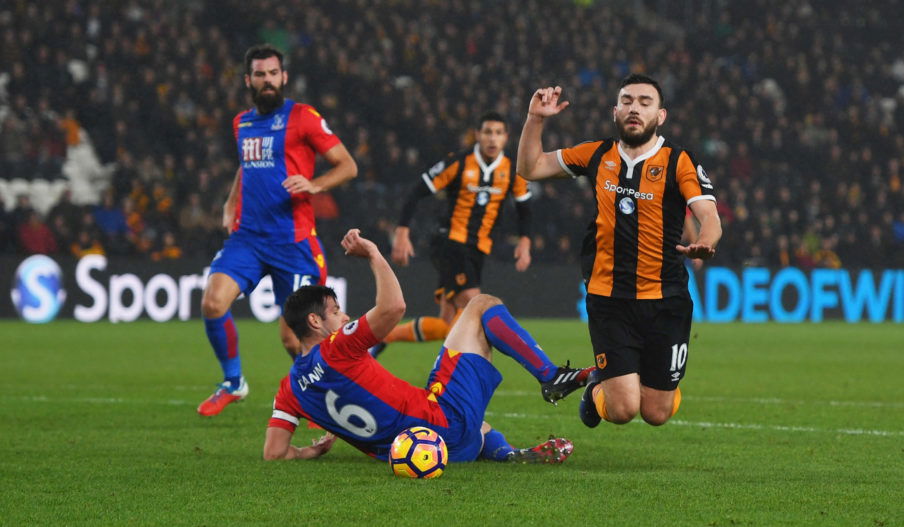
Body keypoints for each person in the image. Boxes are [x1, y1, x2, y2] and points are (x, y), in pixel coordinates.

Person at [263, 229, 590, 463]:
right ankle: (549, 375)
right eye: (336, 312)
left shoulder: (288, 389)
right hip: (442, 427)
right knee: (480, 305)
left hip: (413, 449)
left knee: (452, 399)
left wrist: (310, 452)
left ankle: (507, 455)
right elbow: (393, 307)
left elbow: (274, 452)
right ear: (315, 323)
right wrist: (375, 254)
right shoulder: (336, 348)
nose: (344, 315)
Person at [516, 74, 722, 428]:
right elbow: (529, 168)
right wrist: (535, 119)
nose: (634, 108)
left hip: (667, 300)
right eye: (627, 101)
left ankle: (631, 381)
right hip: (609, 299)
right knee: (624, 410)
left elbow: (709, 214)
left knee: (656, 413)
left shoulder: (678, 161)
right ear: (615, 111)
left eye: (645, 102)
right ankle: (595, 390)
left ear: (661, 116)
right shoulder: (596, 154)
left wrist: (708, 240)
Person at [197, 44, 358, 417]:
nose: (267, 80)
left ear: (283, 77)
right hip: (249, 238)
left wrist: (315, 185)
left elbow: (347, 165)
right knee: (212, 302)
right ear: (248, 80)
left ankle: (325, 402)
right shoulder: (242, 123)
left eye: (273, 74)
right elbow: (246, 167)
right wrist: (229, 202)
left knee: (295, 337)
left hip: (294, 243)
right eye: (260, 74)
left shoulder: (303, 117)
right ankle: (233, 382)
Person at [380, 112, 532, 355]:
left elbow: (524, 208)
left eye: (498, 133)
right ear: (477, 135)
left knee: (447, 324)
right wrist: (402, 231)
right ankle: (539, 365)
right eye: (487, 132)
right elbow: (417, 191)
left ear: (506, 137)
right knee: (480, 307)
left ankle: (384, 337)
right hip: (450, 243)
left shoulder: (512, 171)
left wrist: (525, 241)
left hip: (478, 249)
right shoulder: (459, 162)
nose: (492, 139)